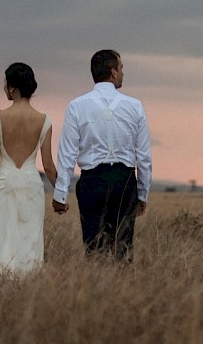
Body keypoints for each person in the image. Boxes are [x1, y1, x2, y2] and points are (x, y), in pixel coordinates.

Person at [53, 49, 151, 262]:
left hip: (92, 180)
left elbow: (67, 153)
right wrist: (142, 194)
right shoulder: (135, 106)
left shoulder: (76, 106)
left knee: (93, 248)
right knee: (123, 249)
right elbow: (143, 156)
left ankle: (97, 289)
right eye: (121, 68)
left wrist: (60, 194)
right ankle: (122, 291)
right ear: (113, 72)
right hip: (124, 181)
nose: (123, 73)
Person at [0, 62, 58, 286]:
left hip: (5, 183)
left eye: (6, 84)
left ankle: (0, 289)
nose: (4, 88)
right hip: (31, 184)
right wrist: (61, 192)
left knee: (2, 239)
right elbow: (47, 165)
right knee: (31, 239)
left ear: (13, 87)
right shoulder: (44, 120)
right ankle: (28, 289)